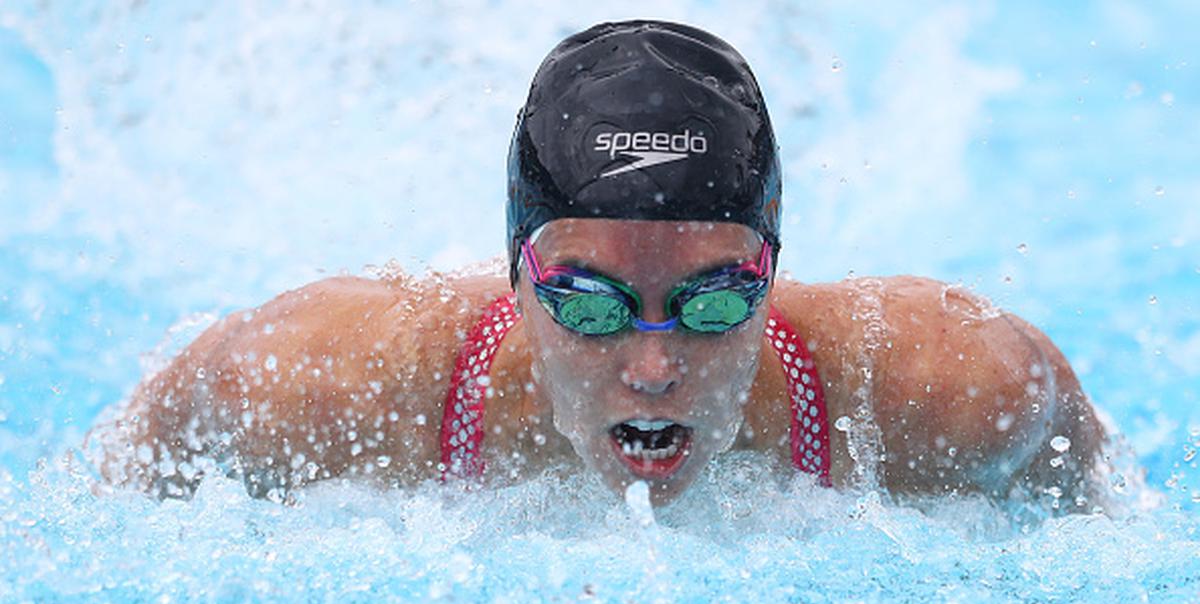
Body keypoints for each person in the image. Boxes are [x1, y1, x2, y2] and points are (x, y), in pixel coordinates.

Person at [95, 20, 1106, 511]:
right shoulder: (324, 379)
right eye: (588, 305)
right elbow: (123, 474)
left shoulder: (949, 387)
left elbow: (1112, 513)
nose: (654, 366)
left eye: (713, 305)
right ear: (517, 279)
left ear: (773, 274)